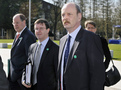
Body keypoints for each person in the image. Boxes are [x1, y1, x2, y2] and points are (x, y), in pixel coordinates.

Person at [57, 2, 105, 90]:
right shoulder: (62, 40)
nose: (65, 18)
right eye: (63, 15)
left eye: (69, 14)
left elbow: (98, 76)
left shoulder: (91, 38)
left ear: (79, 16)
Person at [22, 18, 59, 90]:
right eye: (36, 29)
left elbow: (58, 73)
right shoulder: (32, 47)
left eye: (41, 28)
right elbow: (28, 65)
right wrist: (24, 78)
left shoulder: (55, 49)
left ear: (48, 30)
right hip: (32, 87)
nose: (38, 31)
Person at [8, 13, 36, 90]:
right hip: (14, 76)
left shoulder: (28, 36)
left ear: (24, 22)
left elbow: (30, 59)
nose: (15, 25)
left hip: (21, 79)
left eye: (17, 22)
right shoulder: (18, 34)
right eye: (14, 23)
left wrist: (26, 78)